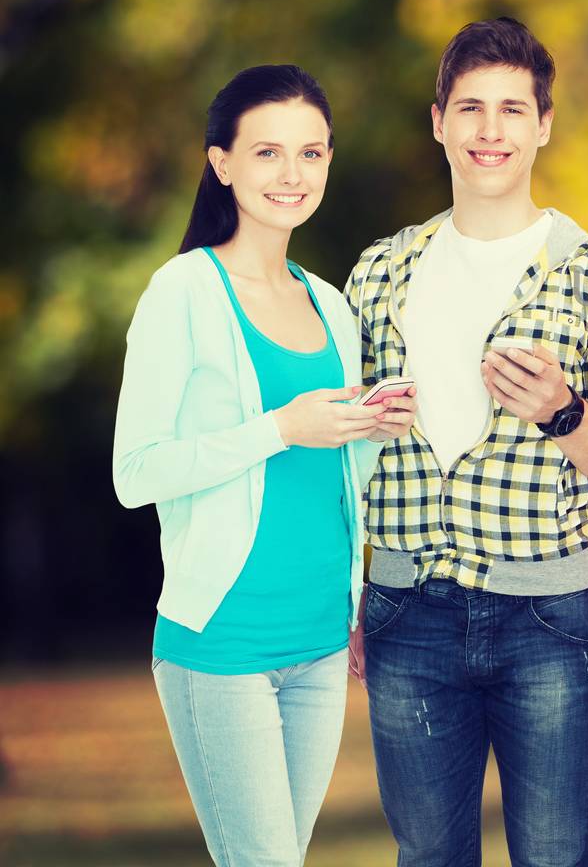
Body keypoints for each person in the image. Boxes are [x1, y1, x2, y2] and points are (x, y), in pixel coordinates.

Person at [344, 17, 588, 867]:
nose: (491, 131)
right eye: (472, 108)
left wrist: (565, 413)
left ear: (544, 125)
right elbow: (349, 457)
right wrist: (351, 588)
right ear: (438, 121)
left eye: (513, 110)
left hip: (546, 621)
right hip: (406, 609)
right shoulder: (379, 273)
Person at [113, 65, 415, 865]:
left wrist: (373, 426)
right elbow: (135, 472)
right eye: (269, 153)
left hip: (319, 638)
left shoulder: (331, 302)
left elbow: (332, 468)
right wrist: (278, 427)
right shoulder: (182, 291)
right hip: (222, 642)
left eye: (312, 154)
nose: (293, 175)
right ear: (222, 163)